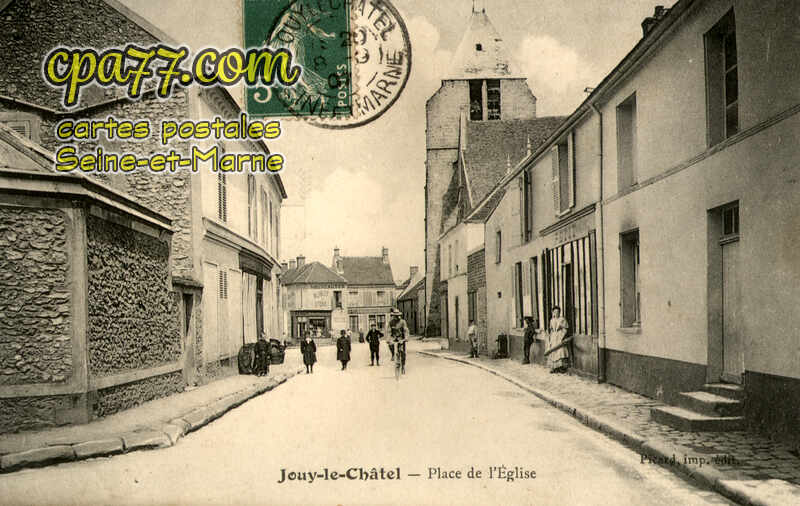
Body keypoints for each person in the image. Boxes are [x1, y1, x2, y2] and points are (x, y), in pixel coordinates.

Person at [546, 307, 569, 373]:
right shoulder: (552, 320)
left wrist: (562, 336)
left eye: (558, 312)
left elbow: (565, 329)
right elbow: (551, 329)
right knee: (553, 350)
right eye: (555, 312)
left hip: (560, 336)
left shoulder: (562, 319)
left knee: (560, 351)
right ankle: (553, 367)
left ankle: (561, 367)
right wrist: (550, 336)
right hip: (553, 336)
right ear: (553, 313)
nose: (556, 313)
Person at [389, 309, 408, 374]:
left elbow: (406, 330)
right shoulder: (391, 322)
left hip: (401, 338)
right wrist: (388, 339)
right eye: (395, 316)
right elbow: (388, 331)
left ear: (399, 315)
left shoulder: (403, 322)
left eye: (398, 316)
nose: (396, 317)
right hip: (394, 338)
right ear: (393, 316)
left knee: (402, 352)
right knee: (390, 344)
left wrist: (405, 338)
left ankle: (403, 366)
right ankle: (393, 355)